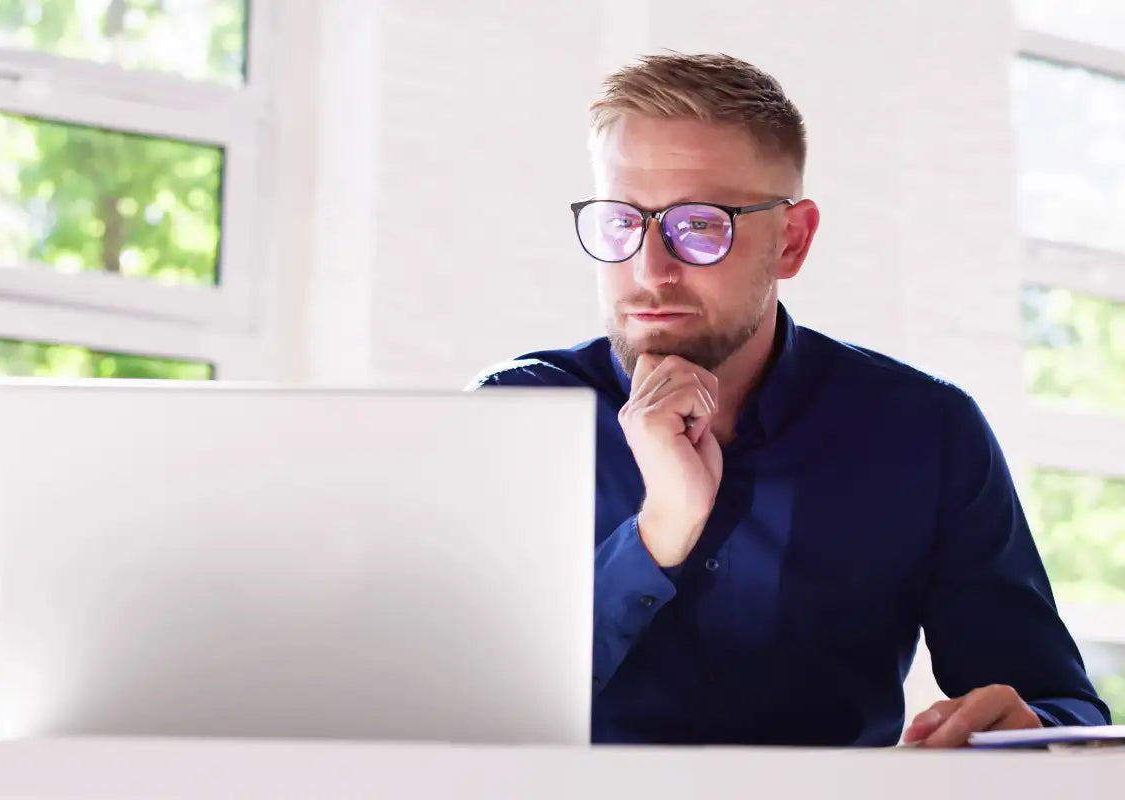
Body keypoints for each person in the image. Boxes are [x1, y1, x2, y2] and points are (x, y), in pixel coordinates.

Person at [468, 53, 1110, 747]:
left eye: (700, 225)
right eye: (622, 222)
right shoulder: (512, 418)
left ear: (792, 240)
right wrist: (660, 532)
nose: (649, 270)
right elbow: (471, 711)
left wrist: (1032, 732)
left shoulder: (925, 432)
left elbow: (1062, 711)